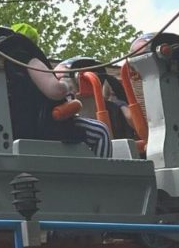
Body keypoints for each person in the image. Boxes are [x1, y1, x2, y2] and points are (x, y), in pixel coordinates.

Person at [13, 24, 112, 157]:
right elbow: (56, 91)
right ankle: (103, 176)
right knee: (101, 131)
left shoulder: (5, 68)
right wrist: (65, 86)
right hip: (46, 126)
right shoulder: (31, 60)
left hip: (17, 128)